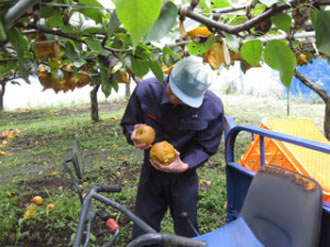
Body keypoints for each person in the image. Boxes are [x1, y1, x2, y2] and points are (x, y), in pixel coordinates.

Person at [120, 55, 225, 242]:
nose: (175, 99)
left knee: (187, 228)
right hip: (151, 173)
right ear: (169, 77)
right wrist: (133, 136)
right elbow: (129, 124)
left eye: (184, 98)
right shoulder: (146, 91)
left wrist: (185, 165)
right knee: (143, 229)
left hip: (183, 177)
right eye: (172, 92)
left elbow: (206, 145)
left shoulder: (211, 107)